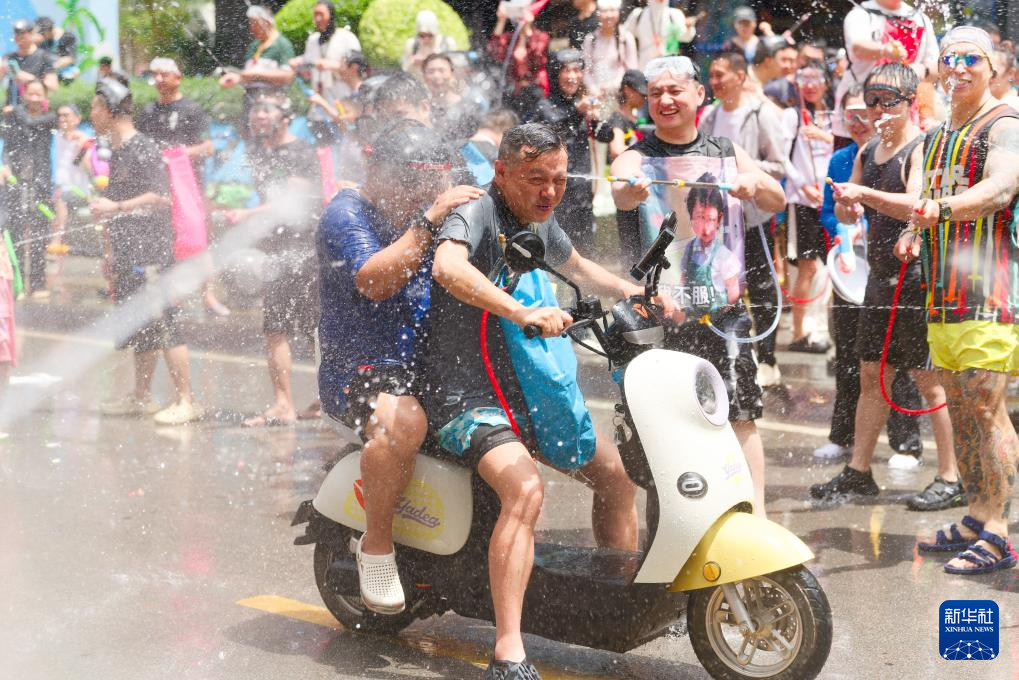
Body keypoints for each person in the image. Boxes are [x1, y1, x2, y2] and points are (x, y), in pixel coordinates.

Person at [429, 122, 661, 678]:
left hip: (524, 389)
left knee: (616, 477)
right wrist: (521, 311)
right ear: (501, 172)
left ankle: (616, 606)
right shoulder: (478, 211)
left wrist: (636, 293)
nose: (550, 191)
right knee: (525, 490)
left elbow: (576, 266)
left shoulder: (538, 217)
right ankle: (508, 650)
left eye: (558, 179)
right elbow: (447, 267)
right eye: (536, 179)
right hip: (466, 396)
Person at [318, 120, 484, 614]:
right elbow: (374, 281)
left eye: (430, 182)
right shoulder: (346, 213)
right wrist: (429, 220)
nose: (420, 192)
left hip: (425, 363)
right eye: (410, 181)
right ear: (376, 171)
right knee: (405, 421)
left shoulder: (424, 208)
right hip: (359, 367)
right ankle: (376, 546)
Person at [611, 56, 787, 517]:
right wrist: (630, 189)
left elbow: (777, 199)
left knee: (741, 416)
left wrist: (754, 182)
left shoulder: (725, 151)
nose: (665, 100)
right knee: (666, 425)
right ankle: (675, 519)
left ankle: (756, 515)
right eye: (656, 94)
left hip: (724, 316)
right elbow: (620, 190)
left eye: (675, 91)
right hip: (660, 319)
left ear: (698, 95)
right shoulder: (637, 155)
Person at [894, 26, 1019, 574]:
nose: (960, 67)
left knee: (987, 409)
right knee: (963, 411)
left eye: (972, 58)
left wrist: (941, 211)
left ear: (992, 68)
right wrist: (911, 231)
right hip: (942, 296)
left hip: (991, 293)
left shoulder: (1005, 124)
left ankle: (999, 533)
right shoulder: (938, 134)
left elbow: (1001, 188)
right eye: (950, 58)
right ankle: (975, 516)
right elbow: (924, 199)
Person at [813, 63, 960, 512]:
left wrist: (864, 197)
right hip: (879, 279)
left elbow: (916, 204)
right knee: (871, 376)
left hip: (915, 281)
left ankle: (951, 476)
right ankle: (859, 471)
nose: (877, 110)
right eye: (871, 101)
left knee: (929, 380)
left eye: (887, 101)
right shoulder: (869, 149)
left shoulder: (923, 146)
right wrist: (847, 205)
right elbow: (853, 212)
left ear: (911, 102)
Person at [813, 85, 926, 468]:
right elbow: (830, 211)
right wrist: (845, 226)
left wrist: (862, 198)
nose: (863, 120)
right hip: (851, 268)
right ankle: (844, 440)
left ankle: (906, 443)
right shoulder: (845, 157)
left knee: (907, 365)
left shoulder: (911, 148)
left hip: (899, 271)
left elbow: (916, 206)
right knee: (854, 358)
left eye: (869, 112)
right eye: (855, 115)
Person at [90, 78, 203, 425]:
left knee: (166, 324)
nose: (91, 115)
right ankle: (142, 396)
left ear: (110, 110)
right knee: (143, 327)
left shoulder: (143, 148)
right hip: (129, 252)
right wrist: (111, 254)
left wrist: (115, 207)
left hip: (152, 253)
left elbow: (160, 198)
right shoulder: (119, 150)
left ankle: (187, 401)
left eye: (95, 108)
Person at [222, 91, 321, 427]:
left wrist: (248, 214)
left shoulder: (301, 152)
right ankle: (283, 403)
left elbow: (290, 201)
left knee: (316, 330)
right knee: (275, 328)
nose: (258, 116)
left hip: (306, 249)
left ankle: (327, 400)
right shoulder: (261, 152)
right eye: (255, 111)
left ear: (286, 117)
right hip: (276, 250)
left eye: (267, 110)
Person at [699, 51, 787, 388]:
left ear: (740, 76)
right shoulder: (709, 116)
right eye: (711, 76)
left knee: (761, 287)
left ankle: (768, 359)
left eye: (721, 75)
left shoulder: (760, 114)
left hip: (752, 218)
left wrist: (743, 171)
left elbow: (779, 166)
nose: (715, 82)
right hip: (717, 222)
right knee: (722, 286)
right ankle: (729, 354)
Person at [136, 57, 226, 318]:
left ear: (178, 78)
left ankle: (208, 296)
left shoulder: (192, 110)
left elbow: (208, 147)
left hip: (189, 187)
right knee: (165, 240)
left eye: (164, 74)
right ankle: (170, 296)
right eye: (155, 75)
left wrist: (178, 155)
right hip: (159, 186)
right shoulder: (148, 111)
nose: (159, 79)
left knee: (199, 241)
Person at [832, 0, 938, 144]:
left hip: (904, 114)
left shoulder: (920, 18)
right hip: (860, 114)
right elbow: (858, 48)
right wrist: (884, 51)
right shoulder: (860, 14)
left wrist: (921, 70)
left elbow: (936, 68)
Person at [783, 59, 834, 353]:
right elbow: (782, 156)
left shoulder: (832, 115)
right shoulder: (792, 115)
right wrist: (803, 186)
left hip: (830, 199)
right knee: (808, 268)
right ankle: (799, 333)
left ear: (826, 83)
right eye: (805, 79)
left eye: (817, 79)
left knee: (834, 266)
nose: (811, 85)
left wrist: (826, 136)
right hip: (803, 202)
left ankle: (824, 328)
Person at [530, 49, 603, 254]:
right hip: (555, 189)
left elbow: (605, 136)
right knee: (556, 245)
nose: (572, 76)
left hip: (582, 187)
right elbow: (554, 128)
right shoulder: (544, 105)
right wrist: (577, 112)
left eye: (577, 70)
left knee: (585, 245)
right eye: (566, 70)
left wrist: (597, 119)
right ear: (555, 73)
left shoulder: (582, 104)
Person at [1, 79, 56, 297]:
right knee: (15, 232)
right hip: (16, 182)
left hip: (40, 184)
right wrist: (5, 166)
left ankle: (38, 283)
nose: (34, 98)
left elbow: (30, 122)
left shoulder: (49, 119)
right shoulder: (14, 119)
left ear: (45, 98)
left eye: (38, 94)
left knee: (39, 234)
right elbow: (7, 146)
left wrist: (14, 110)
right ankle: (18, 284)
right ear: (24, 95)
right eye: (30, 94)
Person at [289, 0, 361, 145]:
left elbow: (358, 64)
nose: (317, 19)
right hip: (319, 104)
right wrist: (298, 63)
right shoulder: (313, 40)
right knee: (323, 146)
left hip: (341, 98)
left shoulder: (346, 38)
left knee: (345, 141)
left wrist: (330, 66)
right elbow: (308, 60)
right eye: (315, 15)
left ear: (331, 15)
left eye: (321, 14)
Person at [218, 5, 296, 124]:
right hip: (251, 104)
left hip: (273, 106)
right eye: (250, 24)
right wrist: (237, 78)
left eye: (255, 24)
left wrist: (257, 74)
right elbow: (249, 76)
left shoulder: (282, 45)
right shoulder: (254, 46)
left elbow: (288, 77)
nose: (252, 28)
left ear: (267, 22)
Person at [488, 3, 550, 118]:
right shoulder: (510, 39)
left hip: (535, 92)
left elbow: (538, 58)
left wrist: (527, 27)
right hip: (514, 92)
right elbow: (494, 51)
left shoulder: (541, 37)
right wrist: (501, 21)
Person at [580, 0, 637, 109]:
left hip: (620, 97)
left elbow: (632, 71)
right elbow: (586, 71)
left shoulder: (626, 38)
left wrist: (612, 86)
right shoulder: (590, 39)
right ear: (598, 14)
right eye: (604, 11)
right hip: (596, 97)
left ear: (618, 13)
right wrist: (594, 90)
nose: (608, 15)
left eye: (612, 10)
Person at [51, 103, 91, 253]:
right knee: (59, 194)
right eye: (59, 115)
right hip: (59, 189)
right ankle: (56, 241)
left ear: (77, 119)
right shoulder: (53, 138)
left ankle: (57, 241)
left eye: (66, 115)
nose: (62, 118)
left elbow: (89, 168)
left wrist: (83, 147)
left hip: (80, 191)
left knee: (61, 196)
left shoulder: (85, 139)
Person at [622, 0, 697, 70]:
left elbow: (686, 38)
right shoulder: (638, 14)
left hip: (670, 67)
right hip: (645, 67)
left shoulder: (675, 14)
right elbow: (623, 35)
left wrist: (689, 28)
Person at [1, 20, 57, 106]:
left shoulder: (44, 57)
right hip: (12, 108)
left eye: (22, 37)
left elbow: (53, 86)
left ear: (32, 35)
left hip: (35, 109)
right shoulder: (9, 57)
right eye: (17, 37)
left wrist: (32, 79)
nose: (19, 40)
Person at [402, 10, 458, 76]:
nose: (426, 39)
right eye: (422, 35)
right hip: (418, 80)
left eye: (430, 35)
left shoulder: (447, 43)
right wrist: (412, 64)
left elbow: (456, 69)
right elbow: (404, 70)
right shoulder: (412, 44)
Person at [748, 35, 795, 101]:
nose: (788, 66)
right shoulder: (741, 83)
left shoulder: (769, 87)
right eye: (783, 60)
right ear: (767, 61)